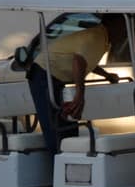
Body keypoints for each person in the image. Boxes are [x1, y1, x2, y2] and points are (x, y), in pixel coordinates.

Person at [27, 15, 123, 153]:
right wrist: (80, 94)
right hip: (44, 75)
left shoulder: (103, 38)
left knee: (68, 127)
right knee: (55, 129)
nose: (124, 32)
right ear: (114, 25)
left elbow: (87, 60)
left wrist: (107, 75)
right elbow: (78, 61)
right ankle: (56, 168)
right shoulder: (96, 37)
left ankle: (67, 163)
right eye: (123, 27)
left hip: (55, 78)